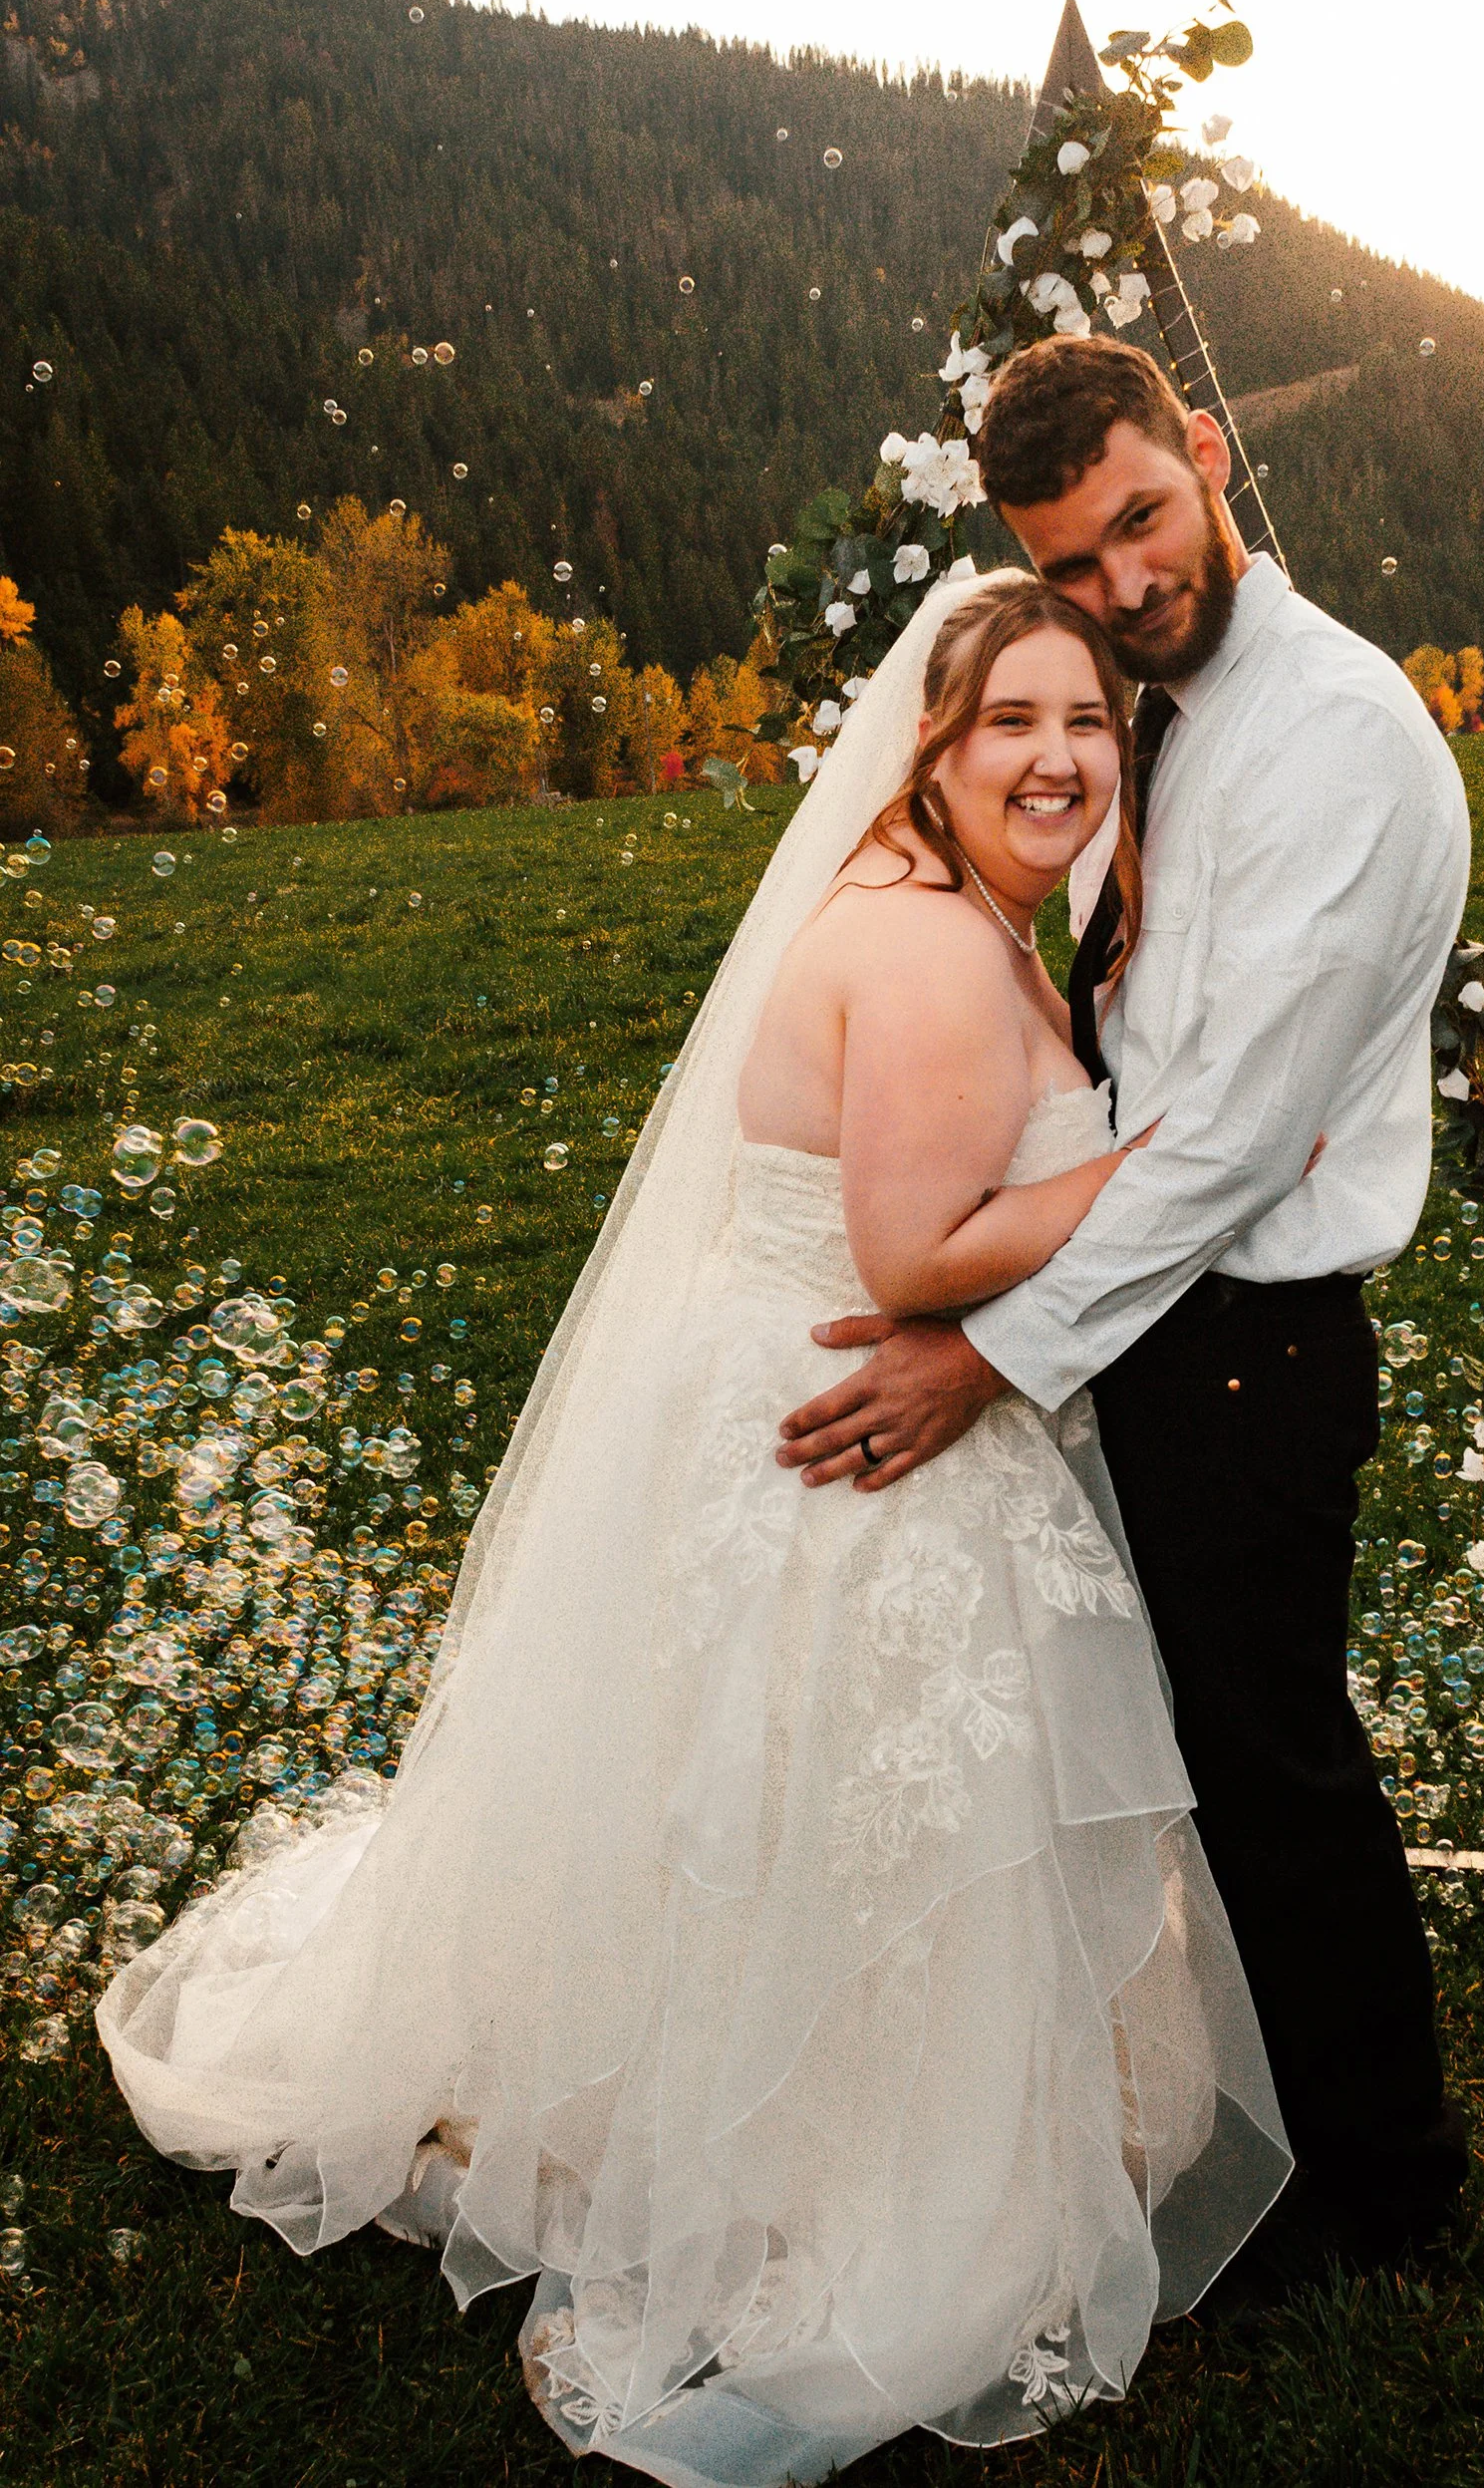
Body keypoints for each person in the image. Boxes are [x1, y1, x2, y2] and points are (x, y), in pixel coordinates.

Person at [100, 572, 1290, 2483]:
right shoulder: (924, 953)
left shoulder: (954, 910)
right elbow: (910, 1257)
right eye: (1016, 726)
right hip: (843, 1433)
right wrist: (1175, 1163)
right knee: (843, 1808)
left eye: (1089, 724)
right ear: (938, 747)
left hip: (774, 1409)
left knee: (743, 1809)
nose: (1060, 759)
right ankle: (822, 2149)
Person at [776, 336, 1474, 2288]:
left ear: (1213, 454)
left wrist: (982, 1350)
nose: (1124, 584)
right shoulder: (1149, 705)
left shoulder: (1336, 738)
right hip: (1141, 1314)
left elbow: (1235, 1137)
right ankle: (1205, 2117)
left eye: (1141, 524)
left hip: (1247, 1334)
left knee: (1268, 1757)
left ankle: (1389, 2187)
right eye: (1068, 565)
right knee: (1159, 1747)